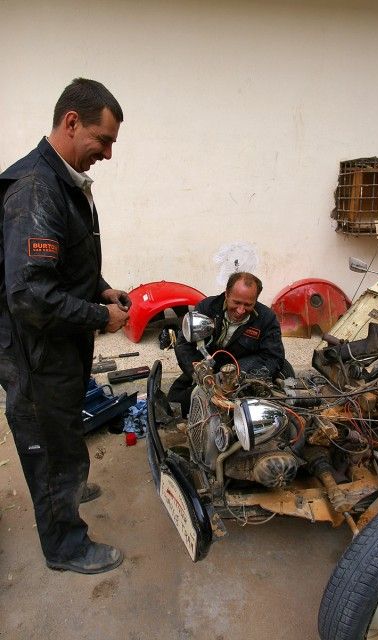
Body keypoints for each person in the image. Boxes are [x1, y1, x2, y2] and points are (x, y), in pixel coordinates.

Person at [0, 78, 131, 574]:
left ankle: (67, 490)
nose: (108, 154)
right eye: (104, 140)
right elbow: (31, 294)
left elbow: (63, 263)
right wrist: (102, 317)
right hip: (35, 355)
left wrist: (100, 289)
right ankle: (65, 545)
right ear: (72, 123)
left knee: (64, 433)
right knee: (49, 446)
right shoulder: (37, 188)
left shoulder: (63, 181)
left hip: (58, 347)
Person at [167, 272, 293, 416]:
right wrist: (199, 373)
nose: (240, 310)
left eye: (248, 305)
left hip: (242, 374)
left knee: (241, 416)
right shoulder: (207, 307)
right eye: (236, 302)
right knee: (175, 401)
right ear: (227, 294)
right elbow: (184, 344)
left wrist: (242, 380)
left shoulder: (267, 319)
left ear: (256, 300)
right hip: (209, 370)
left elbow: (274, 357)